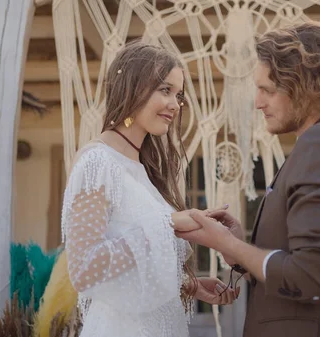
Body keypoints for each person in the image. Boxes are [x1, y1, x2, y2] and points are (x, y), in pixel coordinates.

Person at [177, 22, 320, 337]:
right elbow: (305, 263)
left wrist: (225, 242)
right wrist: (238, 249)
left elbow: (312, 278)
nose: (258, 102)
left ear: (305, 87)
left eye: (268, 90)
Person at [61, 41, 238, 337]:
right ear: (133, 87)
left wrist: (189, 285)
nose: (175, 104)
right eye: (164, 90)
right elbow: (84, 269)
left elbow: (130, 260)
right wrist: (168, 223)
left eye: (178, 94)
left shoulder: (141, 169)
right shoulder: (97, 162)